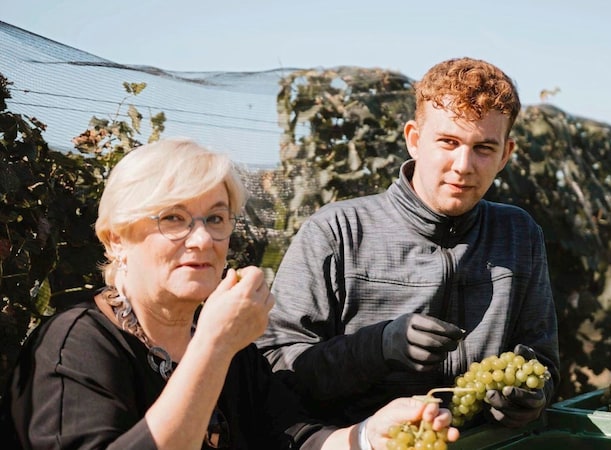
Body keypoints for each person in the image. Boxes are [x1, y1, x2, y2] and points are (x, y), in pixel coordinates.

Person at [0, 138, 459, 449]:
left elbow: (292, 436)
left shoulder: (226, 344)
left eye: (215, 218)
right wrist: (214, 346)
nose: (202, 239)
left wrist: (368, 436)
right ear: (116, 238)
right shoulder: (77, 348)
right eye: (174, 218)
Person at [258, 57, 560, 429]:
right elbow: (277, 364)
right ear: (414, 140)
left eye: (483, 148)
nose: (464, 165)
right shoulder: (338, 232)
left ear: (505, 155)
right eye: (448, 142)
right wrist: (378, 347)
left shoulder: (519, 234)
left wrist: (532, 396)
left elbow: (542, 362)